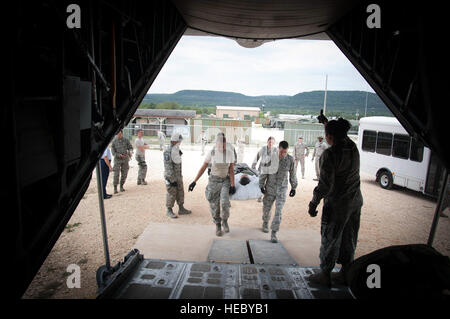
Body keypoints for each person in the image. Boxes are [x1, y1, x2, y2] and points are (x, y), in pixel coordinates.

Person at [306, 118, 363, 288]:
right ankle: (345, 272)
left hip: (338, 204)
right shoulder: (352, 147)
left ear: (329, 136)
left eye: (327, 135)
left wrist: (313, 203)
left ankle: (325, 274)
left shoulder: (330, 155)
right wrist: (326, 123)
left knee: (331, 238)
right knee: (349, 237)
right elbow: (338, 134)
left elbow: (325, 185)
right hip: (355, 201)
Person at [189, 133, 236, 236]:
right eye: (218, 145)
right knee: (214, 205)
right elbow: (204, 167)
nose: (220, 148)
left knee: (224, 202)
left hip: (225, 181)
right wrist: (194, 181)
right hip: (214, 181)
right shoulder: (212, 152)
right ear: (216, 144)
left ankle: (224, 221)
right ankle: (218, 225)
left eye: (222, 146)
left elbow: (231, 169)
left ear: (225, 144)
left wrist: (233, 184)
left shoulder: (230, 153)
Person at [259, 141, 297, 243]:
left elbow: (293, 174)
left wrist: (294, 187)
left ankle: (274, 233)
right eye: (281, 152)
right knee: (266, 208)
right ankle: (265, 222)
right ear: (278, 149)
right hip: (270, 189)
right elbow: (264, 172)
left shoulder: (290, 160)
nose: (283, 154)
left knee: (278, 212)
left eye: (285, 152)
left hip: (282, 189)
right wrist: (261, 185)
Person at [164, 132, 192, 218]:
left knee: (180, 191)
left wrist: (179, 177)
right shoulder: (168, 151)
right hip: (171, 177)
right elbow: (168, 167)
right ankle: (169, 210)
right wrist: (172, 179)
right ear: (174, 141)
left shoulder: (176, 149)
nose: (180, 143)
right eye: (179, 141)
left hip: (178, 176)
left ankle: (181, 208)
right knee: (171, 193)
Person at [252, 136, 278, 202]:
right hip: (262, 168)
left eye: (272, 142)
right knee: (261, 182)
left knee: (269, 184)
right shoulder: (263, 148)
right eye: (269, 142)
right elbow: (257, 156)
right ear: (267, 142)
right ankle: (259, 196)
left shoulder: (276, 150)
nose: (271, 143)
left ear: (274, 143)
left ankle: (266, 197)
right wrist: (253, 165)